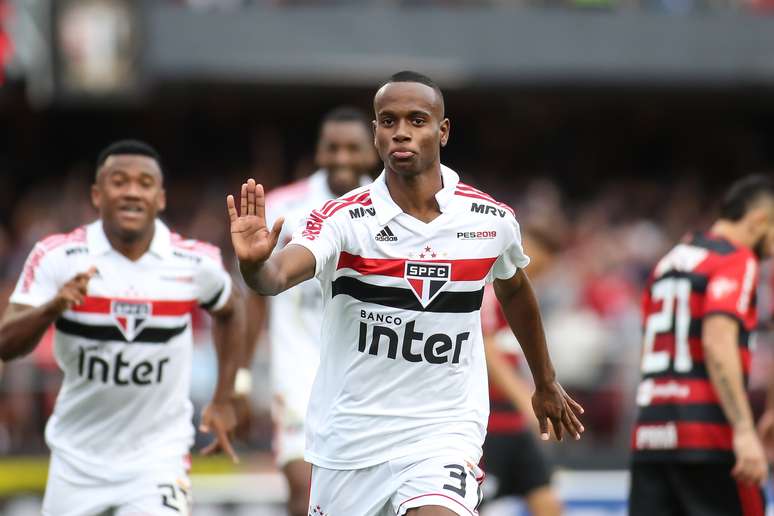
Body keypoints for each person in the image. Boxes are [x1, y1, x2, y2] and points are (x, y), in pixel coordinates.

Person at [227, 71, 583, 516]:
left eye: (417, 120)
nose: (401, 132)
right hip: (349, 441)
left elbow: (514, 289)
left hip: (442, 434)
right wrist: (254, 264)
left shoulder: (489, 220)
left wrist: (545, 381)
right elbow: (276, 278)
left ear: (443, 130)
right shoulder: (344, 219)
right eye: (388, 120)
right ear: (376, 132)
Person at [0, 140, 245, 516]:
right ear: (97, 195)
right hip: (76, 460)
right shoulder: (58, 256)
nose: (132, 191)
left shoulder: (194, 261)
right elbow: (6, 343)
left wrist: (226, 395)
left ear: (160, 198)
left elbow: (231, 310)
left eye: (144, 182)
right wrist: (53, 307)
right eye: (119, 181)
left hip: (158, 460)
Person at [240, 106, 377, 516]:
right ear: (318, 151)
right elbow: (256, 296)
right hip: (300, 377)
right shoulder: (286, 206)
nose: (341, 157)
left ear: (372, 152)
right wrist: (241, 382)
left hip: (370, 381)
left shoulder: (393, 208)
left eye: (353, 148)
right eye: (332, 147)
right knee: (305, 493)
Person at [629, 174, 774, 516]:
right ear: (759, 220)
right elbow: (717, 339)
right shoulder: (736, 260)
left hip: (651, 431)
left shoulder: (667, 262)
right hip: (708, 434)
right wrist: (742, 429)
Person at [479, 228, 563, 516]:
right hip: (488, 423)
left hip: (512, 424)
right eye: (540, 259)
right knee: (472, 504)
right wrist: (528, 401)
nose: (542, 269)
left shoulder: (522, 299)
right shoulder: (491, 289)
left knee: (547, 502)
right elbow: (488, 350)